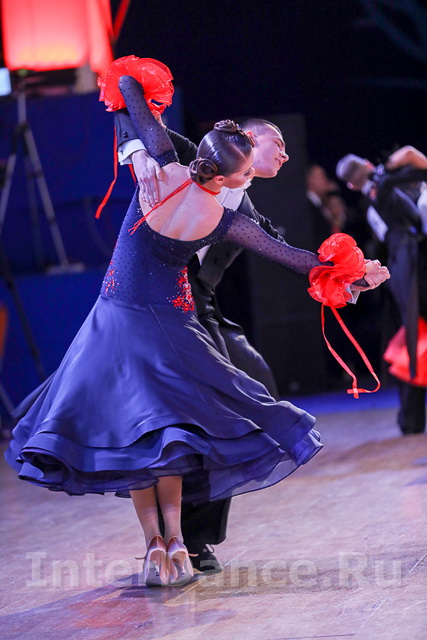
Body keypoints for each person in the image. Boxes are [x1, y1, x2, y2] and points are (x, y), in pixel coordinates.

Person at [6, 73, 389, 589]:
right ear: (230, 172)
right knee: (172, 431)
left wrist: (144, 149)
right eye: (249, 167)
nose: (254, 175)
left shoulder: (166, 166)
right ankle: (178, 544)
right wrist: (356, 273)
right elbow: (297, 259)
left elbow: (128, 86)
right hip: (172, 326)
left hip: (116, 319)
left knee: (138, 431)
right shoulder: (221, 217)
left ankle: (160, 545)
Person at [114, 109, 289, 572]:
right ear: (248, 140)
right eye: (278, 144)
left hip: (201, 310)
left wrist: (342, 276)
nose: (285, 155)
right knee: (166, 418)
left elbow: (283, 251)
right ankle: (173, 538)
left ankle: (191, 535)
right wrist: (137, 153)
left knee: (243, 399)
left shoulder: (245, 208)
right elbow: (128, 108)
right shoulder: (191, 158)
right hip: (150, 306)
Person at [336, 150, 427, 435]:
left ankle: (411, 419)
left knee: (413, 338)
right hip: (415, 267)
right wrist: (392, 164)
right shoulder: (385, 183)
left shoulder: (370, 204)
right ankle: (410, 419)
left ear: (351, 186)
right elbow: (418, 165)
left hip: (400, 272)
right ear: (366, 164)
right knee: (415, 338)